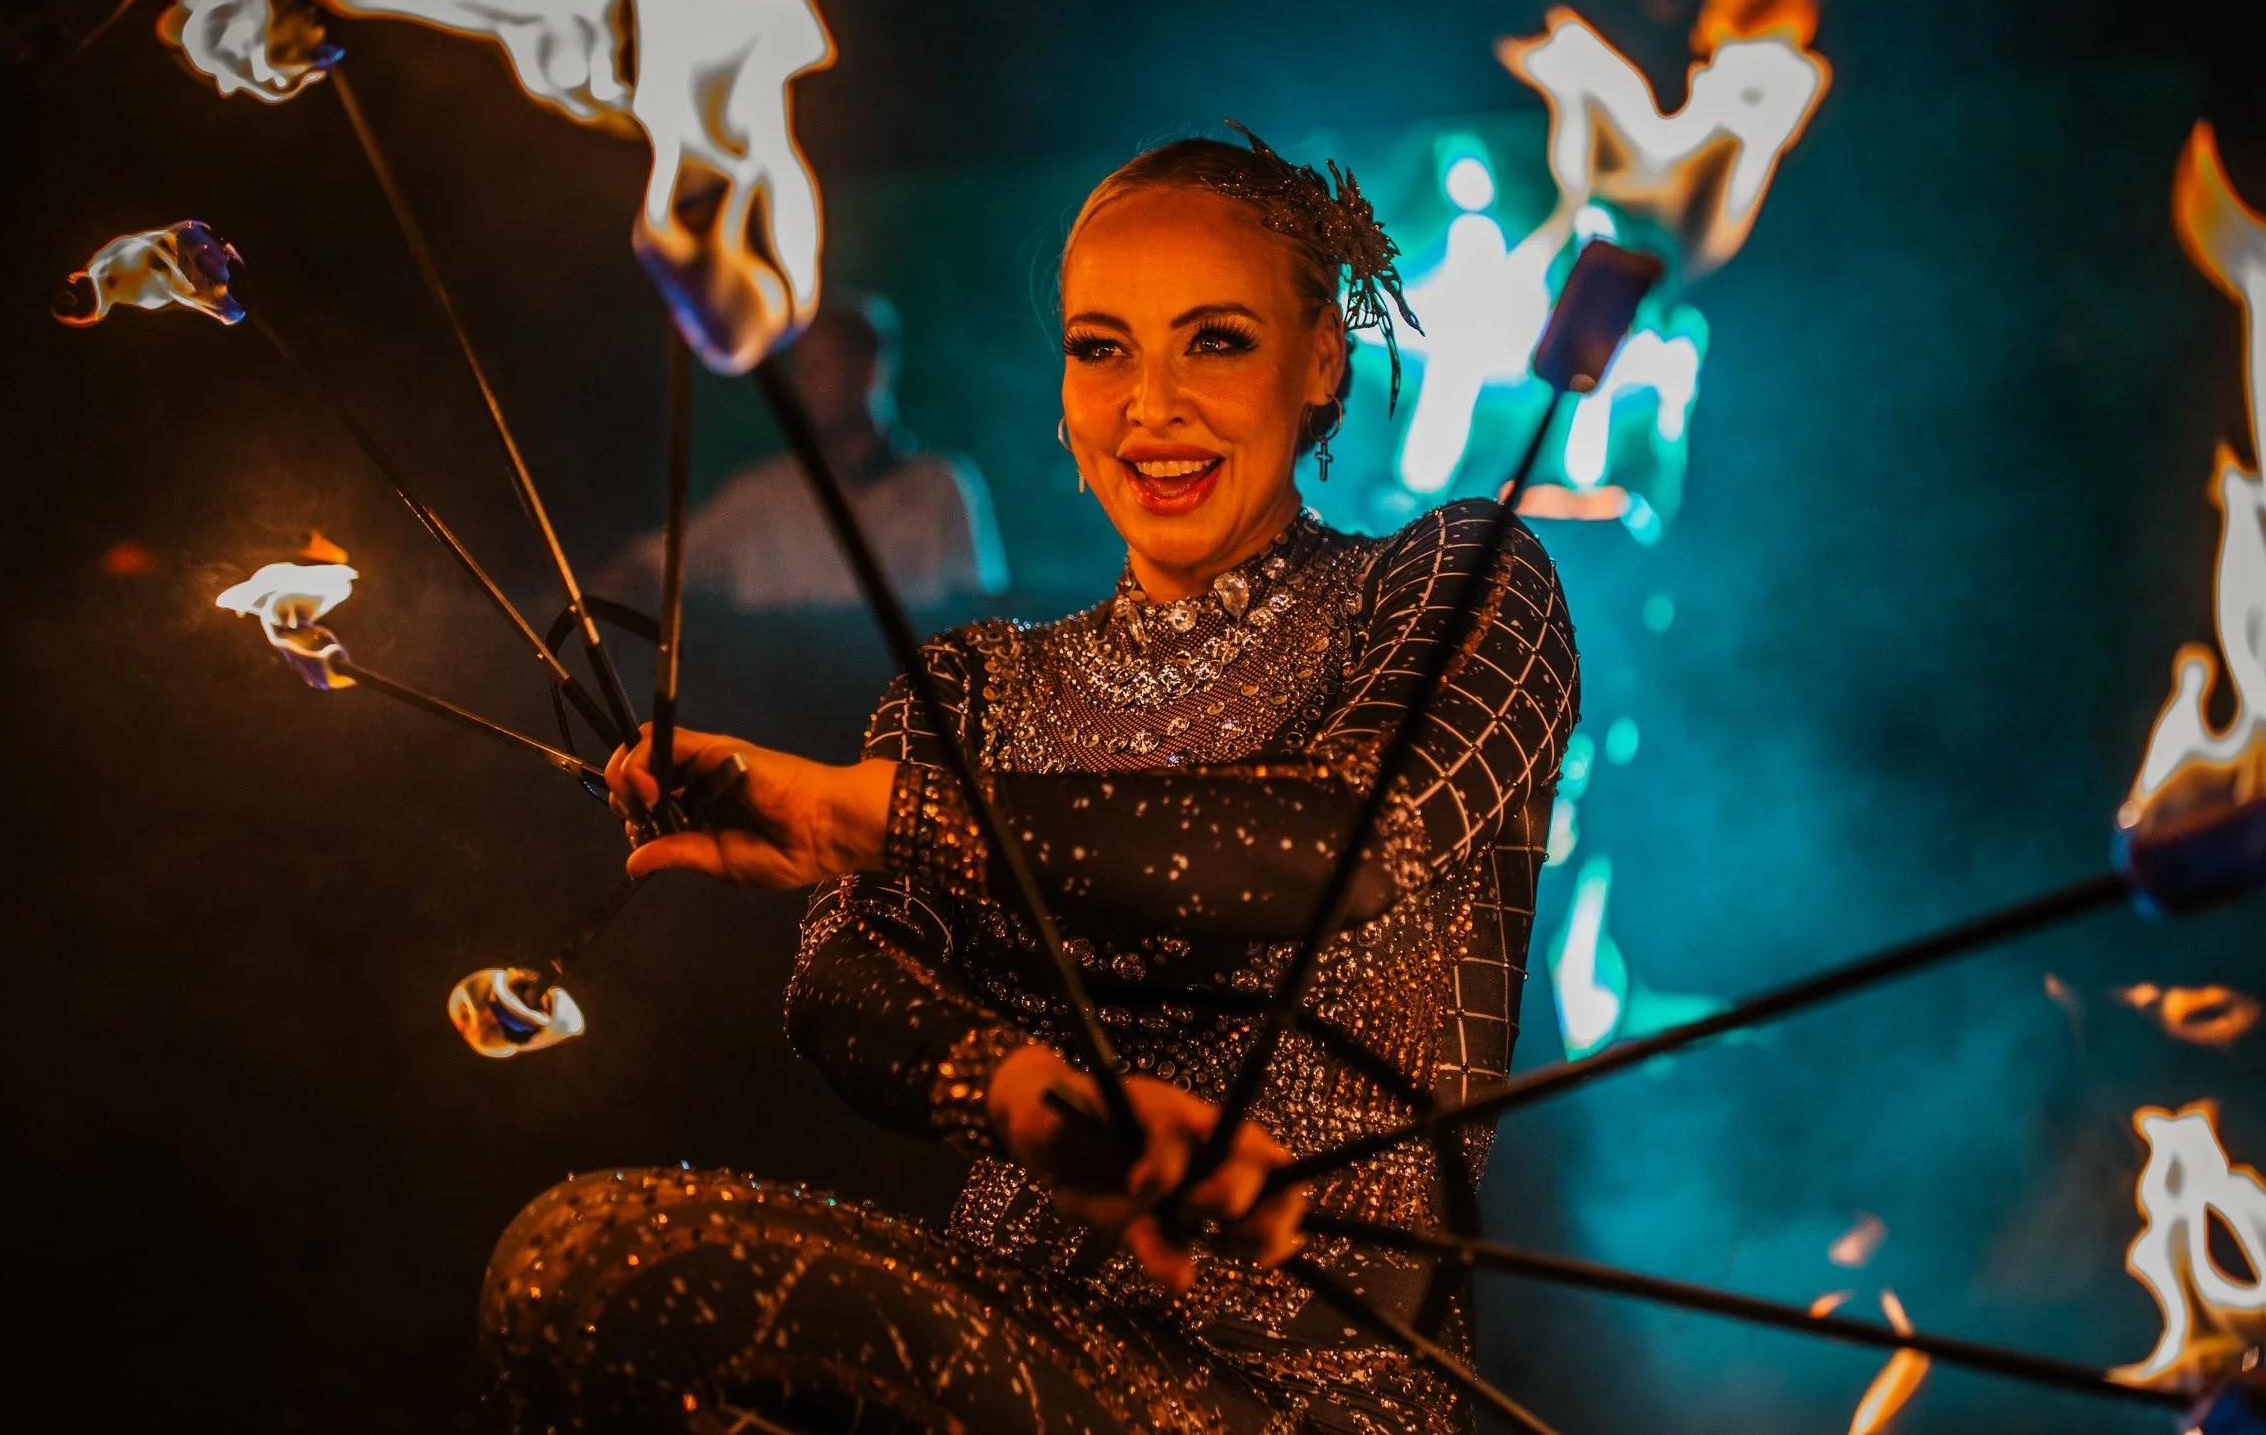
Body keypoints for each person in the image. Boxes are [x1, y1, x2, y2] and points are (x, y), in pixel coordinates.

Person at [483, 129, 1580, 1434]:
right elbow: (840, 978)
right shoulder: (976, 685)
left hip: (1305, 1393)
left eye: (1215, 340)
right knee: (591, 1265)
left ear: (1320, 360)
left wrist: (860, 813)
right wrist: (1034, 1100)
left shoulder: (1453, 577)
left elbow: (1345, 838)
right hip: (1011, 1347)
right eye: (1100, 345)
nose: (1149, 404)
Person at [603, 293, 1008, 611]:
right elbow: (661, 562)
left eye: (819, 369)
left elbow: (977, 610)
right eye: (801, 371)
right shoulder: (761, 495)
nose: (805, 388)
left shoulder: (943, 486)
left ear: (870, 371)